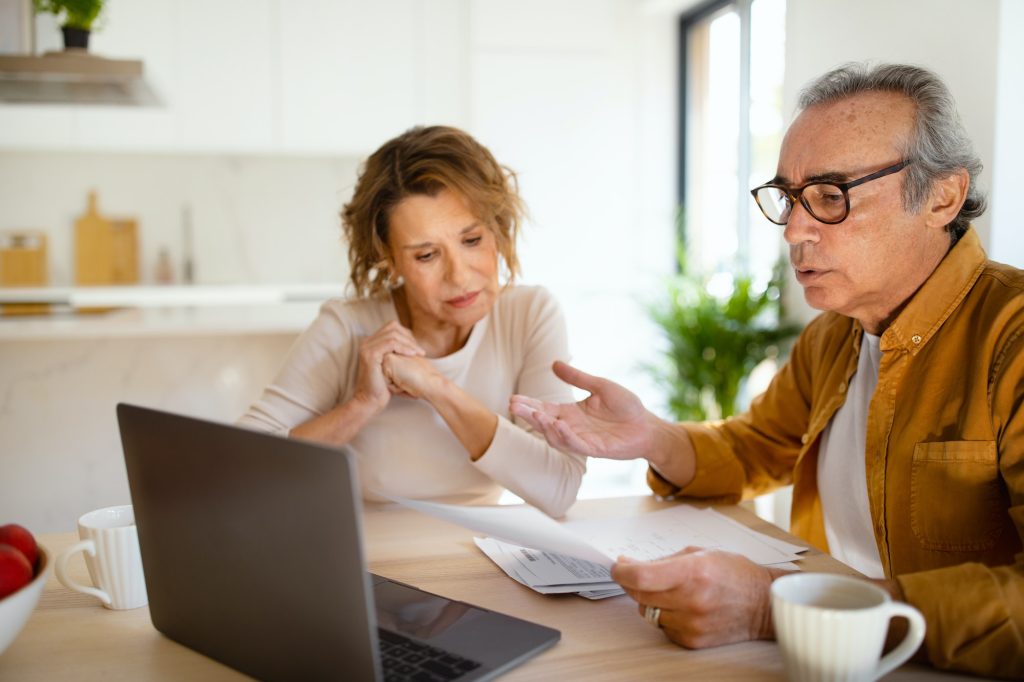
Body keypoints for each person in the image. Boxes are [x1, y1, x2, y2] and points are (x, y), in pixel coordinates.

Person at [510, 62, 1023, 678]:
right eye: (790, 198)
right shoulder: (832, 336)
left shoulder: (1011, 340)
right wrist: (652, 436)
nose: (796, 229)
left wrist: (774, 607)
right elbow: (759, 448)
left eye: (831, 196)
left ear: (942, 196)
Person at [241, 125, 585, 518]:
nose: (459, 275)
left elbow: (559, 487)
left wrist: (437, 387)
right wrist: (362, 404)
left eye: (472, 240)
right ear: (388, 260)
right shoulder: (346, 327)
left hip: (482, 556)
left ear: (498, 228)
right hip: (371, 563)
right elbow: (244, 469)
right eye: (426, 256)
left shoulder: (530, 315)